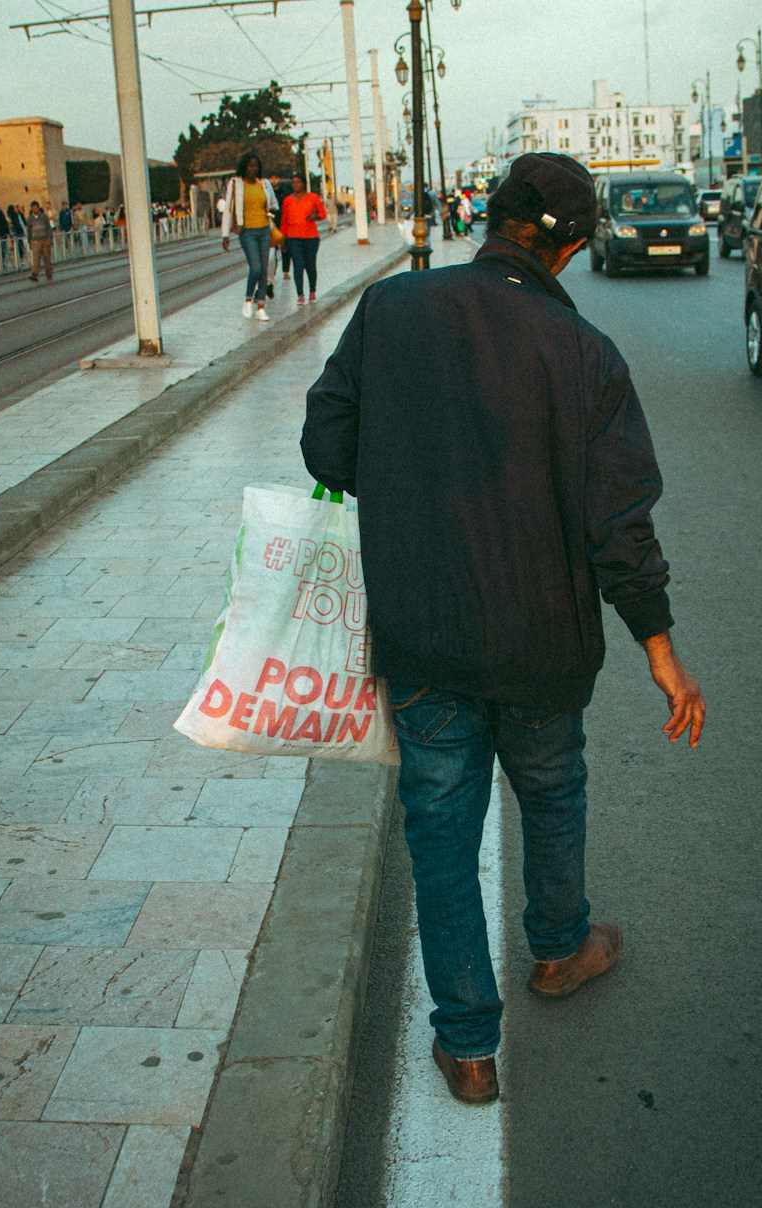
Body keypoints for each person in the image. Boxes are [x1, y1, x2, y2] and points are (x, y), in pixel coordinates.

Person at [300, 152, 706, 1106]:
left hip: (424, 635)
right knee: (554, 790)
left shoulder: (391, 312)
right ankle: (562, 949)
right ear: (566, 242)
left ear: (490, 222)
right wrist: (660, 648)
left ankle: (471, 1048)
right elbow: (620, 524)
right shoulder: (586, 353)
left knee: (440, 831)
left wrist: (407, 473)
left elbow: (326, 439)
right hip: (543, 642)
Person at [220, 151, 278, 321]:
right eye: (250, 166)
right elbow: (229, 210)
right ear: (244, 167)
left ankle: (261, 306)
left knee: (265, 268)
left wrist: (271, 213)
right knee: (256, 267)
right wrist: (225, 234)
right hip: (247, 231)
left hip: (264, 229)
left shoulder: (264, 183)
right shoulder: (235, 183)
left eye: (256, 166)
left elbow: (273, 204)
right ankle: (248, 299)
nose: (253, 169)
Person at [279, 173, 326, 305]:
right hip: (293, 238)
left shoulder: (313, 197)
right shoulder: (288, 200)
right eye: (293, 183)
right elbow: (284, 221)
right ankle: (300, 294)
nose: (295, 185)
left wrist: (314, 217)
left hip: (311, 237)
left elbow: (322, 213)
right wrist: (282, 240)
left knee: (310, 265)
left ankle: (312, 291)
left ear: (304, 183)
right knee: (298, 265)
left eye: (298, 182)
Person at [26, 200, 55, 281]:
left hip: (45, 240)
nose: (35, 210)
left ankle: (49, 273)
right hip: (35, 241)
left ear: (38, 208)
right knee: (36, 258)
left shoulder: (44, 216)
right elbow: (29, 231)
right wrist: (30, 242)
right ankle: (34, 274)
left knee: (47, 258)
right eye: (33, 208)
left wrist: (49, 238)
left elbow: (48, 228)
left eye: (36, 208)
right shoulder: (29, 219)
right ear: (31, 209)